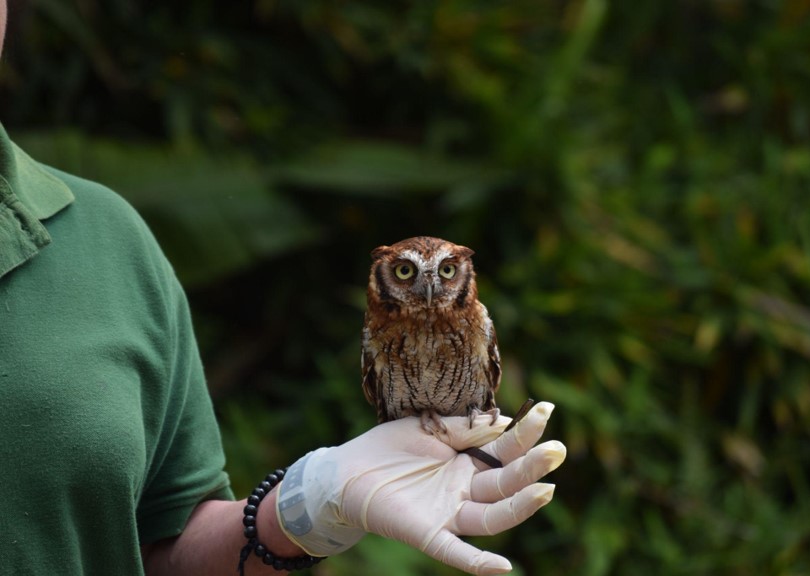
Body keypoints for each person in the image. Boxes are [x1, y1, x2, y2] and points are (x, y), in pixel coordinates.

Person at [0, 2, 566, 575]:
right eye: (405, 274)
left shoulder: (109, 238)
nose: (423, 290)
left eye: (443, 274)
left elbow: (166, 543)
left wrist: (310, 504)